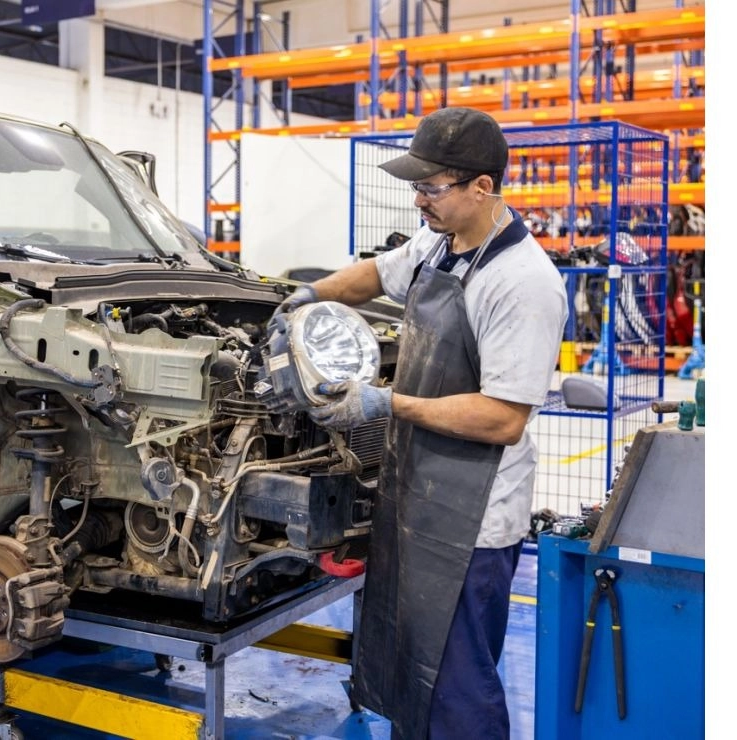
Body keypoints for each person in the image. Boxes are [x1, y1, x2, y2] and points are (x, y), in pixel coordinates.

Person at [273, 106, 567, 739]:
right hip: (418, 492)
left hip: (473, 519)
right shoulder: (440, 245)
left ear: (481, 187)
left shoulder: (522, 282)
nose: (418, 201)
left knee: (456, 680)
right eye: (416, 186)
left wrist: (385, 404)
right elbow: (376, 275)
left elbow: (503, 417)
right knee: (414, 669)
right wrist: (306, 297)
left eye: (431, 188)